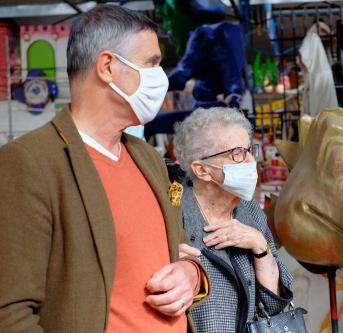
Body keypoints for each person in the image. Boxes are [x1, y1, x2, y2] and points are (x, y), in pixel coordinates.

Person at [0, 5, 208, 333]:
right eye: (151, 63)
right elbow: (9, 311)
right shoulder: (31, 163)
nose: (161, 77)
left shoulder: (149, 159)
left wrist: (191, 275)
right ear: (108, 66)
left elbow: (180, 251)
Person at [173, 107, 293, 332]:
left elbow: (275, 303)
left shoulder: (250, 212)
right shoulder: (174, 216)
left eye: (249, 150)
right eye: (236, 154)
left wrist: (260, 246)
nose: (250, 161)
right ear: (202, 170)